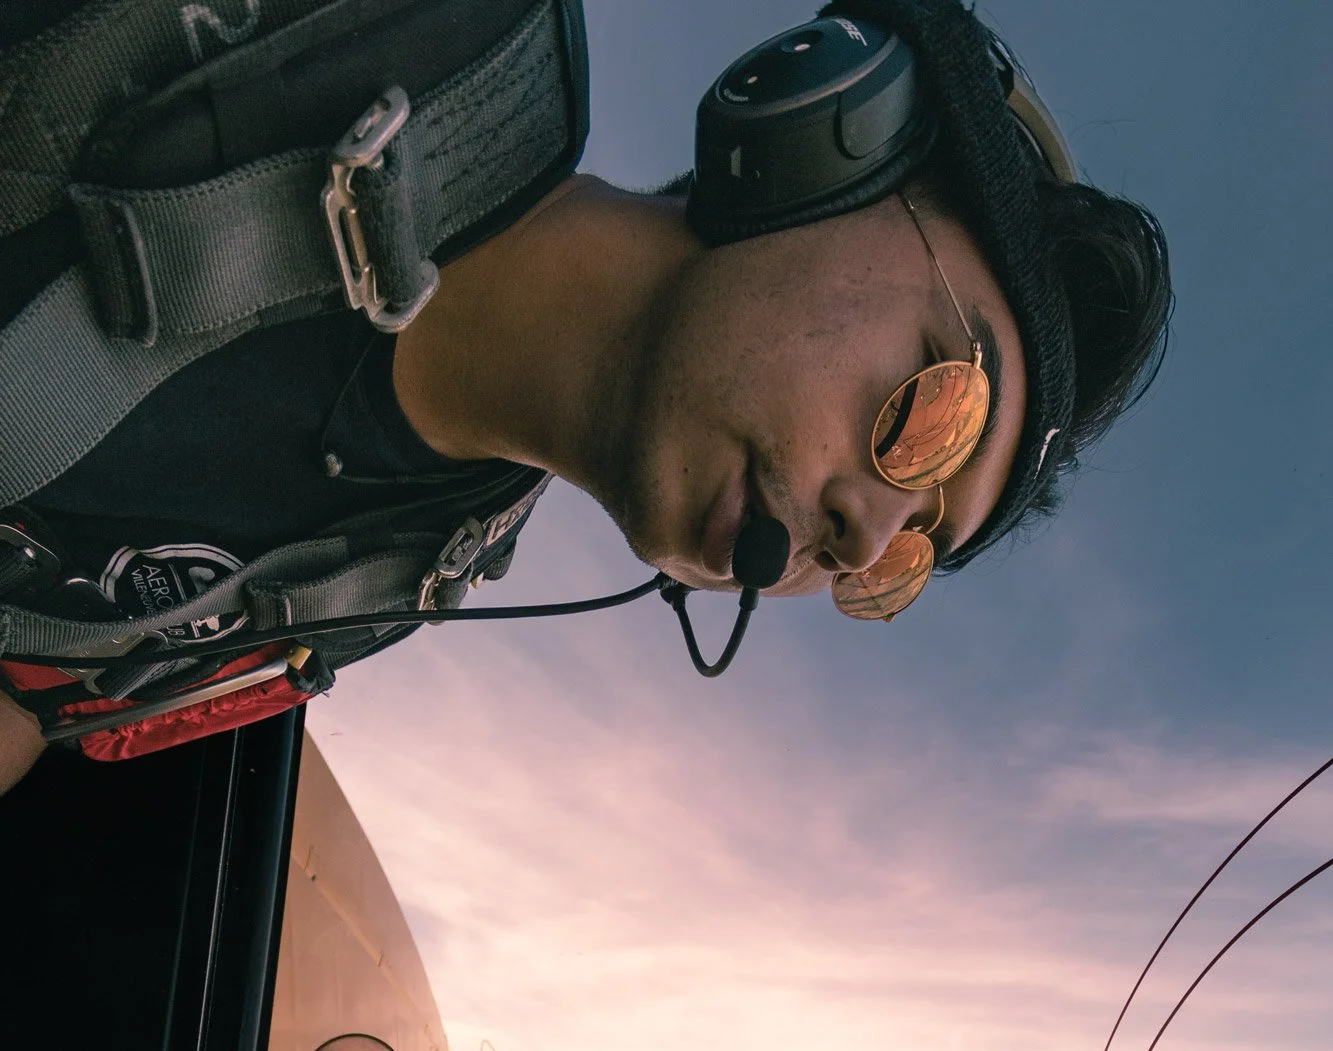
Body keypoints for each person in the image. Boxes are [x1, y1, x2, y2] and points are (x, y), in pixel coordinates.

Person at [0, 0, 1170, 792]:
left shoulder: (385, 585)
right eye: (933, 417)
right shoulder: (399, 21)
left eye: (901, 563)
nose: (859, 532)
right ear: (834, 148)